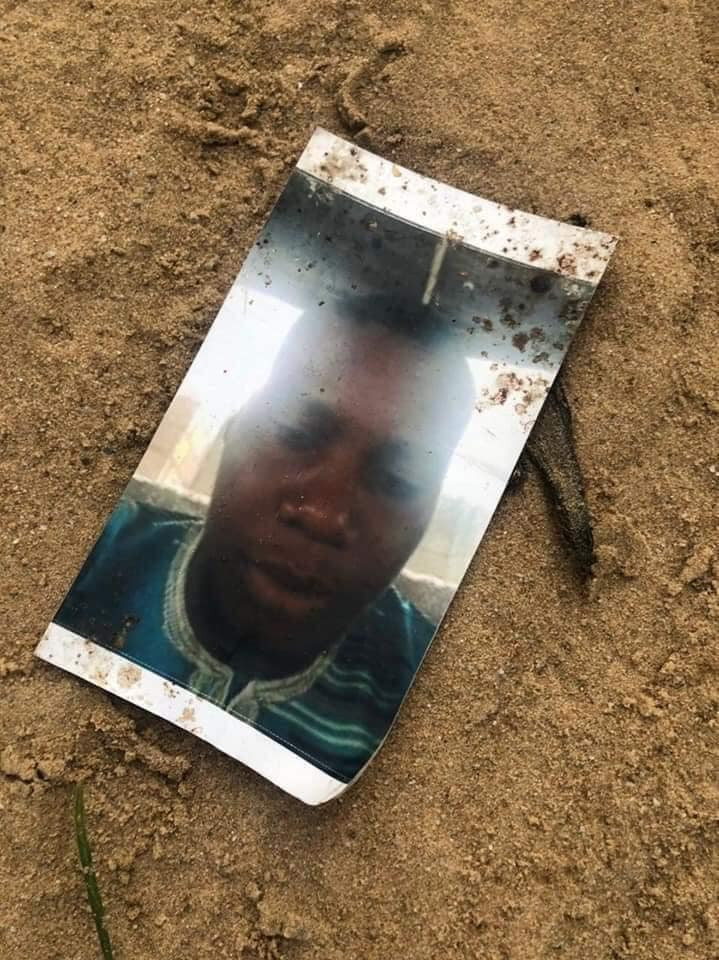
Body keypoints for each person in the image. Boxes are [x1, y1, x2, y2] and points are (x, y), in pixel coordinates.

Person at [55, 293, 475, 782]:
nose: (324, 515)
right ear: (234, 427)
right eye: (296, 432)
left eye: (400, 480)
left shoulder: (435, 701)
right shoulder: (87, 558)